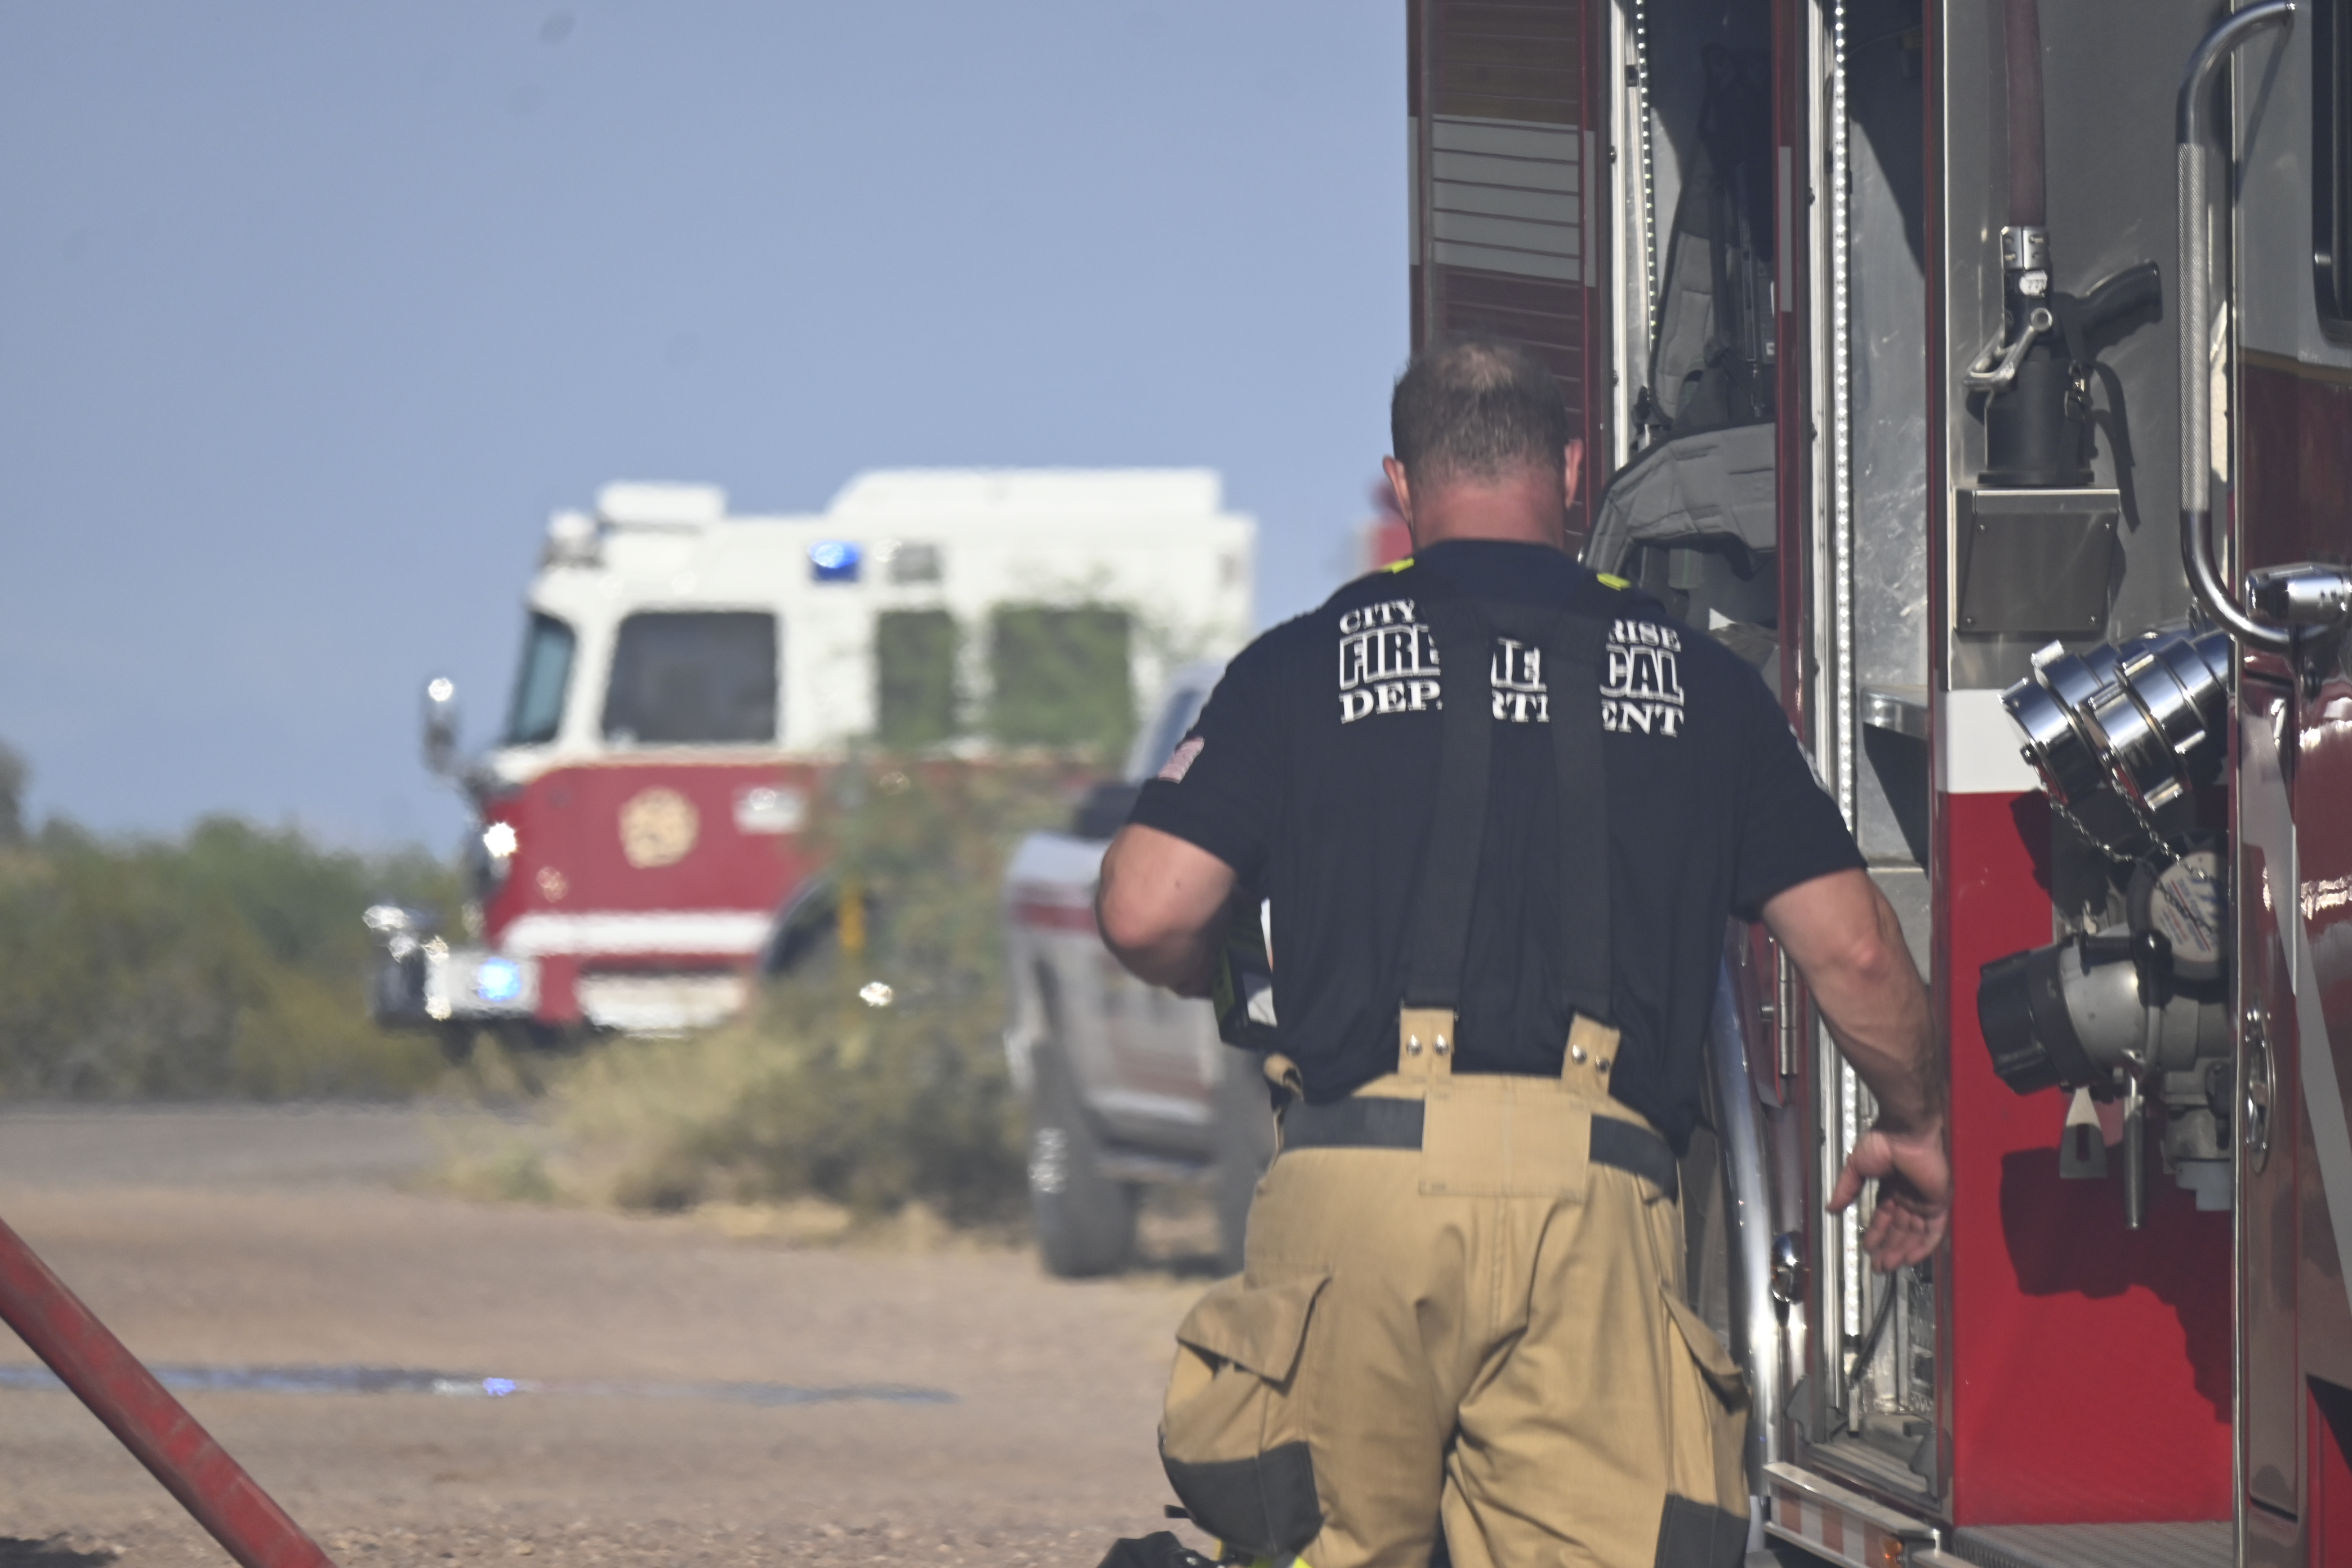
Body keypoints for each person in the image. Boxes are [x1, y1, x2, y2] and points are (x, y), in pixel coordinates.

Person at [1094, 337, 1947, 1568]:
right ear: (1574, 468)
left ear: (1402, 483)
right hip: (1596, 1206)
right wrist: (1917, 1120)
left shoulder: (1298, 667)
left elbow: (1145, 910)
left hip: (1358, 1194)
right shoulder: (1705, 689)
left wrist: (1204, 968)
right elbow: (1857, 955)